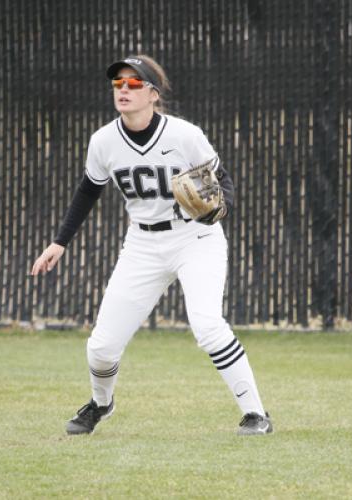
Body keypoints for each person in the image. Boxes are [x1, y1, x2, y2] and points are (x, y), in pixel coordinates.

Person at [30, 55, 272, 436]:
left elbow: (223, 185)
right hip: (142, 242)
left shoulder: (184, 135)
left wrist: (216, 211)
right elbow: (87, 193)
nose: (124, 90)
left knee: (208, 326)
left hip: (195, 238)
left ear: (153, 94)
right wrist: (59, 242)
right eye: (118, 84)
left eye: (133, 84)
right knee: (101, 347)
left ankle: (256, 414)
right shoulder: (104, 141)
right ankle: (101, 404)